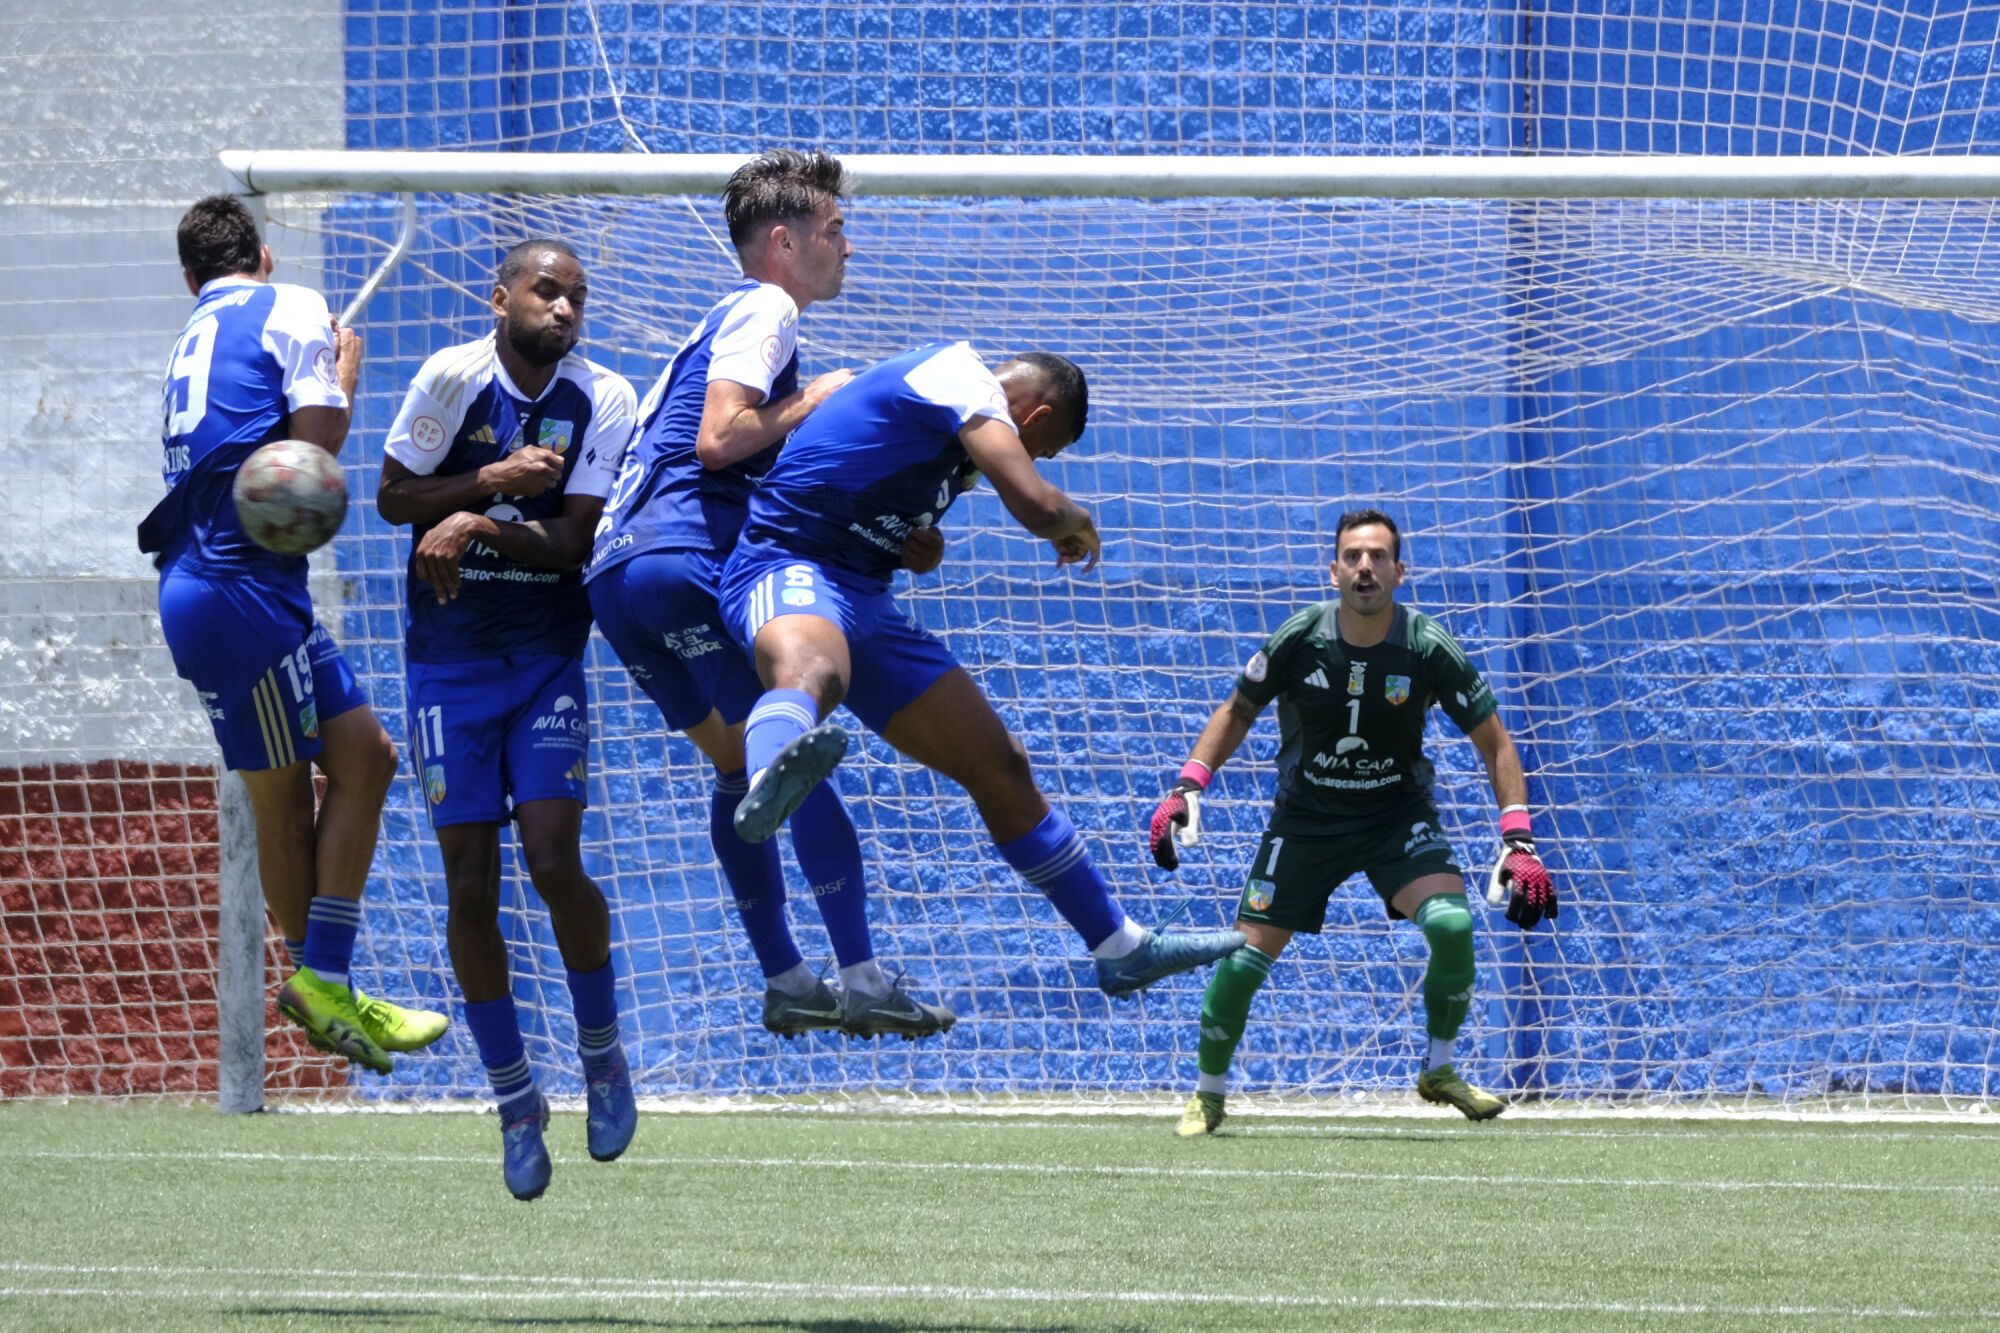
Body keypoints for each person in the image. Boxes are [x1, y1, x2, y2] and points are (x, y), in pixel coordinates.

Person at [717, 339, 1246, 999]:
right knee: (813, 669)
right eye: (1045, 450)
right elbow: (1038, 506)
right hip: (789, 562)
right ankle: (768, 780)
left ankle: (1120, 947)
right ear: (1038, 416)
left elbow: (899, 522)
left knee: (1001, 764)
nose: (1036, 459)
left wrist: (924, 549)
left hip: (865, 599)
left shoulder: (951, 445)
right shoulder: (959, 376)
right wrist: (1077, 521)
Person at [586, 149, 953, 1041]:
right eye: (835, 229)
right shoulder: (766, 307)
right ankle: (862, 975)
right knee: (794, 750)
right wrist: (814, 399)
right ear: (783, 241)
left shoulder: (713, 326)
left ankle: (787, 976)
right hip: (683, 556)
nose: (848, 247)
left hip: (617, 579)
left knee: (738, 767)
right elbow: (720, 440)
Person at [141, 194, 447, 1076]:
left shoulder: (193, 334)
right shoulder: (293, 303)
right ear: (265, 256)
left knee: (368, 758)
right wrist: (343, 380)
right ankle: (325, 982)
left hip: (231, 587)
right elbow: (311, 460)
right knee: (282, 799)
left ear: (190, 279)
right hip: (240, 594)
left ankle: (326, 979)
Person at [1148, 508, 1557, 1137]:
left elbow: (1495, 740)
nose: (1365, 567)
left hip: (1397, 819)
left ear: (1399, 571)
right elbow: (1238, 710)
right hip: (1306, 822)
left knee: (1453, 926)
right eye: (1353, 557)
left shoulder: (1427, 646)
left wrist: (1518, 837)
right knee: (1243, 960)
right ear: (1334, 571)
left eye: (1378, 557)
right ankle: (1208, 1094)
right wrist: (1188, 785)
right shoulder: (1300, 637)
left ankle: (1439, 1069)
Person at [377, 238, 638, 1201]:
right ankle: (516, 1099)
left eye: (577, 296)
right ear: (500, 299)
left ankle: (602, 1054)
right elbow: (393, 497)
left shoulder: (604, 398)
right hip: (448, 666)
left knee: (554, 860)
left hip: (543, 659)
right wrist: (490, 482)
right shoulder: (451, 377)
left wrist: (482, 525)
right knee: (470, 889)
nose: (564, 308)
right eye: (546, 290)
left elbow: (573, 543)